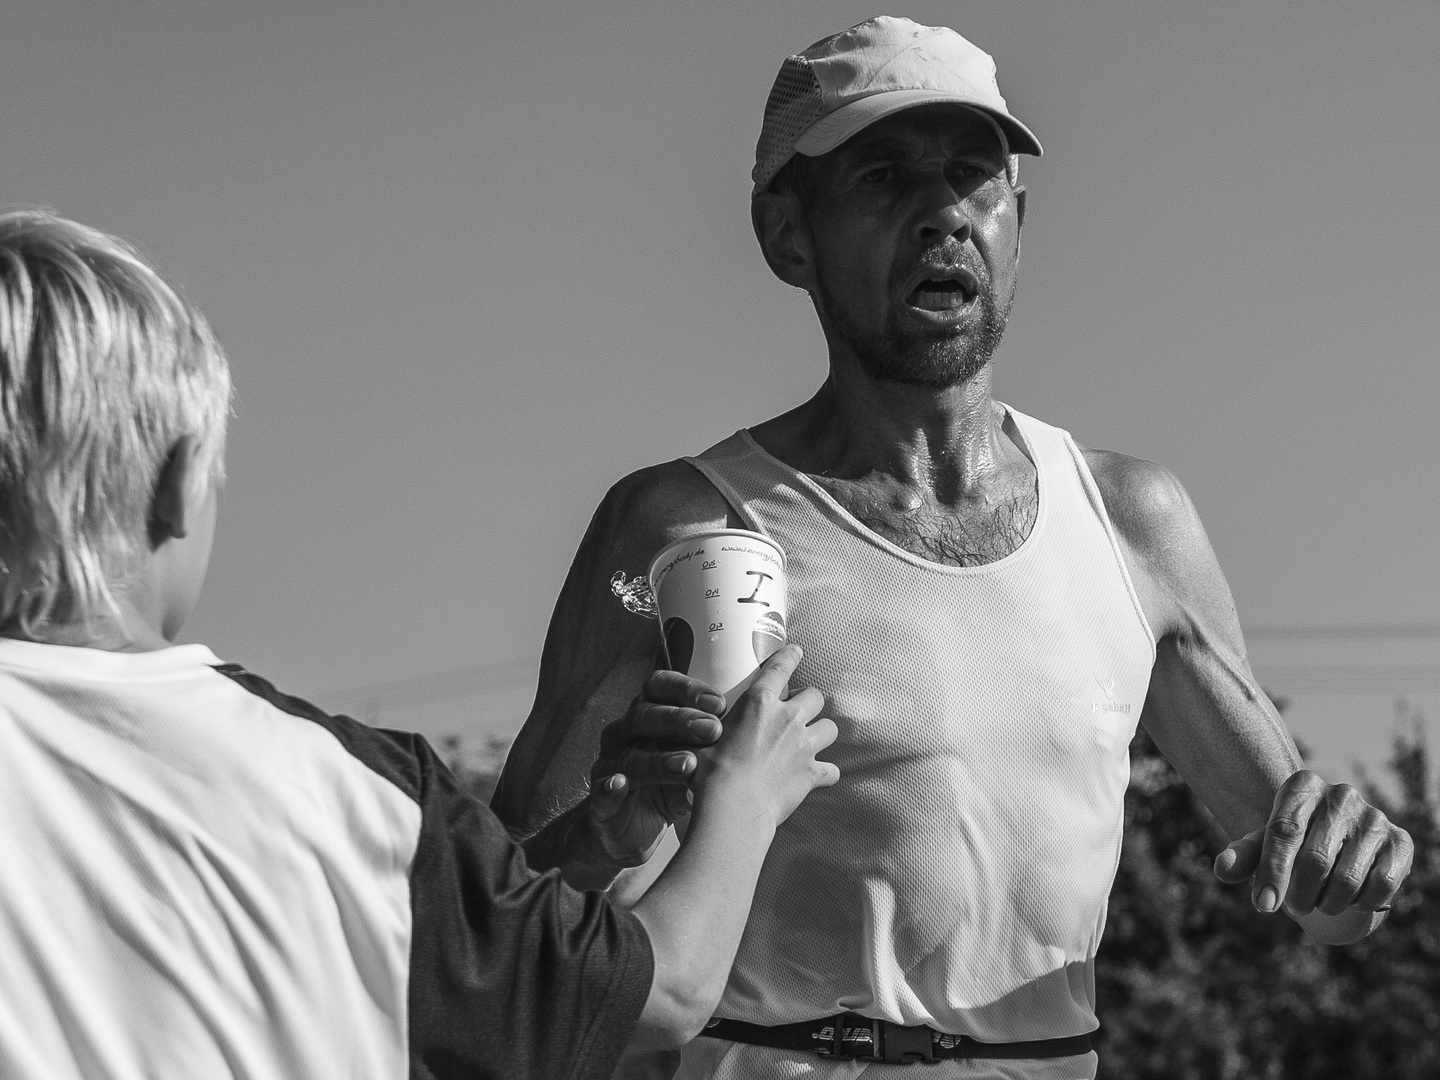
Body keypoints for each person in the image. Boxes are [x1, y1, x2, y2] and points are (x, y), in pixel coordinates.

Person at [492, 16, 1415, 1079]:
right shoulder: (680, 526)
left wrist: (1356, 859)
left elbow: (1317, 898)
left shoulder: (1131, 521)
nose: (943, 213)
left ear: (1016, 220)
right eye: (885, 177)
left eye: (973, 178)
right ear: (788, 235)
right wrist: (605, 839)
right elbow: (503, 931)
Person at [0, 209, 839, 1080]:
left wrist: (596, 845)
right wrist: (743, 799)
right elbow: (661, 993)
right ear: (176, 485)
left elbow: (491, 952)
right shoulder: (345, 793)